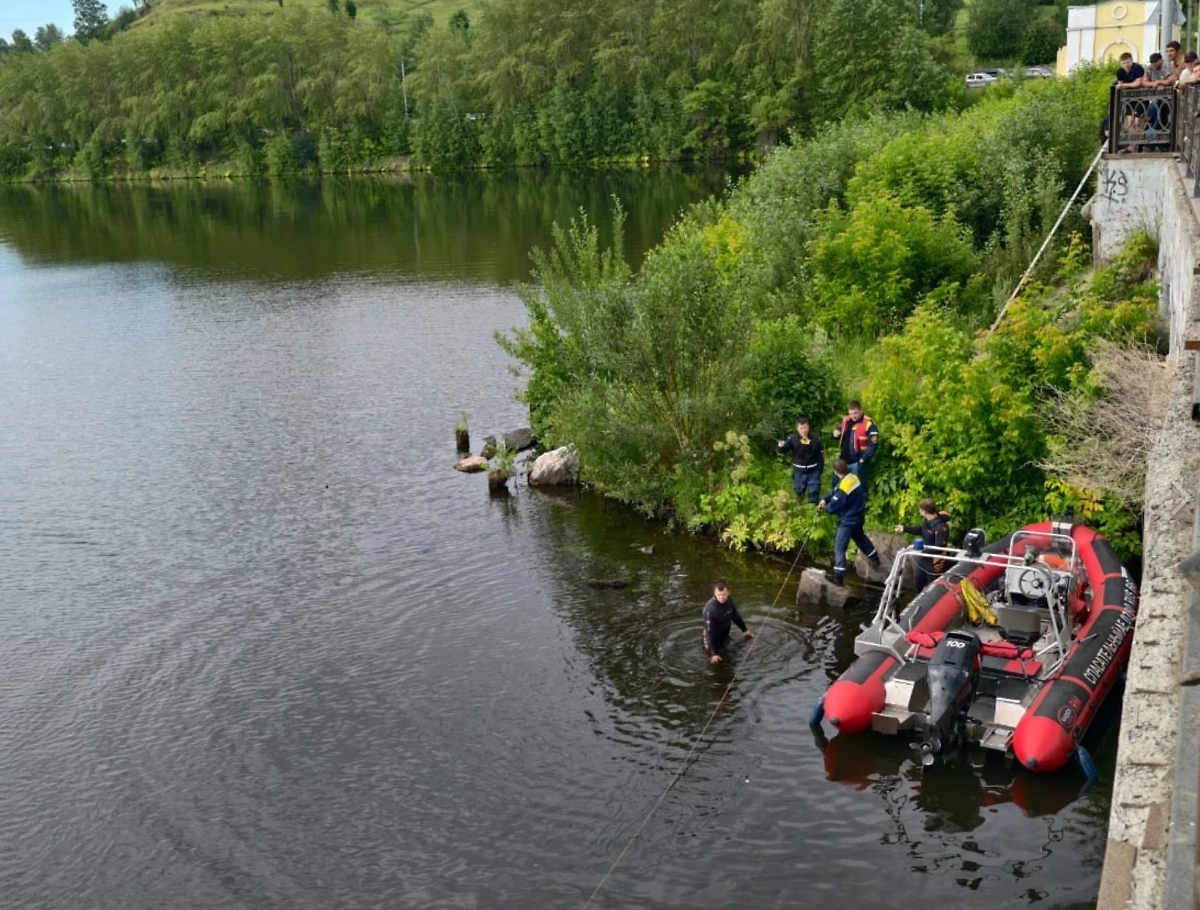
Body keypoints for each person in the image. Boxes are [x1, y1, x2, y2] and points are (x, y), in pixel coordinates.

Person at [819, 459, 880, 586]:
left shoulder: (844, 487)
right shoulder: (853, 478)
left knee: (839, 547)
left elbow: (836, 505)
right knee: (860, 538)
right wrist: (825, 498)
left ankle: (839, 577)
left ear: (836, 472)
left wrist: (826, 508)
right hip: (858, 516)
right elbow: (835, 491)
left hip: (848, 520)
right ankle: (875, 558)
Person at [895, 499, 951, 591]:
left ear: (924, 511)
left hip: (934, 562)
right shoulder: (927, 521)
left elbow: (939, 548)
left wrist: (921, 550)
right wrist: (904, 528)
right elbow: (922, 530)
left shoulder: (941, 527)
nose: (919, 512)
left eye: (920, 510)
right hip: (923, 559)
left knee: (932, 588)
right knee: (918, 581)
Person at [702, 580, 753, 664]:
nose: (722, 597)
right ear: (715, 594)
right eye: (719, 595)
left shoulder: (729, 600)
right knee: (714, 665)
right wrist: (713, 653)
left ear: (728, 592)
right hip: (712, 639)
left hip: (725, 635)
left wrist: (745, 630)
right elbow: (709, 632)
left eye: (724, 594)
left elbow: (735, 616)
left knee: (730, 657)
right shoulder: (710, 609)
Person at [777, 417, 824, 505]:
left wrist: (819, 470)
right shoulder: (792, 439)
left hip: (813, 470)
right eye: (801, 428)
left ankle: (813, 510)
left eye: (805, 427)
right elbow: (783, 450)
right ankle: (800, 509)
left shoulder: (815, 439)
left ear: (808, 427)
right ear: (797, 428)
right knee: (799, 492)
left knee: (814, 492)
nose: (803, 430)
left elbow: (820, 455)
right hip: (799, 471)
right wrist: (781, 446)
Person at [832, 400, 879, 487]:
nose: (853, 416)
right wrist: (836, 433)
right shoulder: (846, 420)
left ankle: (861, 500)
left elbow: (873, 445)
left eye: (855, 413)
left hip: (858, 461)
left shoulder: (869, 424)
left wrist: (864, 458)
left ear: (861, 410)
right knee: (836, 484)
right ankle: (838, 500)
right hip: (843, 460)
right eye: (851, 413)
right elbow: (840, 430)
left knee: (858, 487)